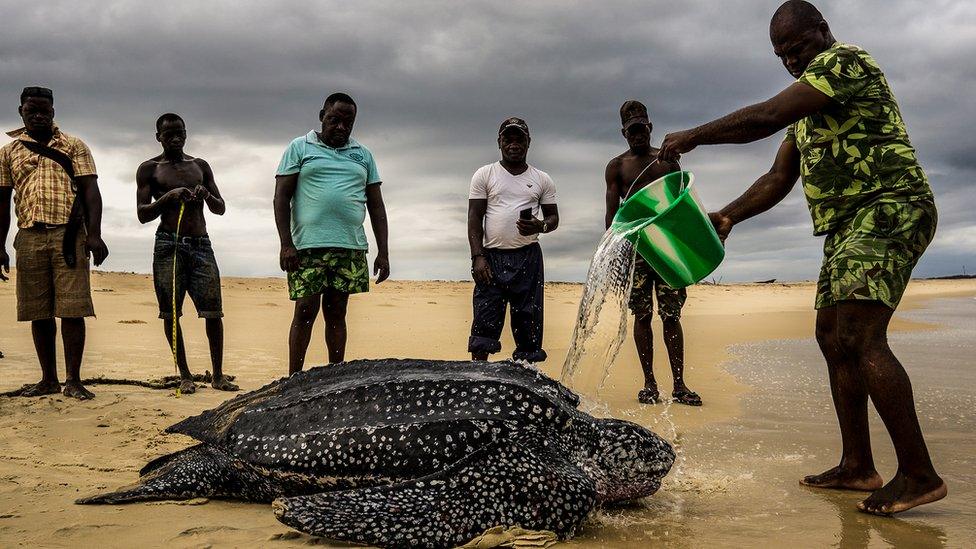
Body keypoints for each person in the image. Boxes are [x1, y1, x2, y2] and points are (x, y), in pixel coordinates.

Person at [658, 0, 945, 515]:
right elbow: (777, 178)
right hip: (844, 226)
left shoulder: (845, 63)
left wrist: (694, 135)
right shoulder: (810, 114)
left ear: (823, 31)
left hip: (888, 206)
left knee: (860, 336)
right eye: (782, 56)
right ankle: (858, 465)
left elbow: (766, 116)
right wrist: (727, 216)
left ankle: (919, 474)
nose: (792, 62)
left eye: (798, 49)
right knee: (832, 335)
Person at [0, 86, 109, 400]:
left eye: (44, 111)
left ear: (53, 112)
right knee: (38, 312)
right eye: (31, 110)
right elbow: (2, 202)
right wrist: (0, 244)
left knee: (73, 309)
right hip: (29, 236)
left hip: (70, 235)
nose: (37, 116)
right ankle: (48, 379)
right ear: (20, 111)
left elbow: (91, 191)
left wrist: (95, 234)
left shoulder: (74, 145)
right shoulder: (9, 151)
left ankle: (73, 380)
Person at [274, 92, 390, 375]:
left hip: (349, 246)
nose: (340, 127)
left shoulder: (363, 155)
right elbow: (281, 198)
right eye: (334, 120)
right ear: (322, 116)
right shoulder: (300, 147)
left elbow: (376, 205)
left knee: (337, 314)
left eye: (347, 123)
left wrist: (383, 251)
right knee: (304, 311)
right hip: (307, 247)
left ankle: (334, 377)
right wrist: (286, 244)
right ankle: (294, 379)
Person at [605, 101, 700, 406]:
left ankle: (680, 385)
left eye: (641, 128)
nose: (637, 134)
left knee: (671, 315)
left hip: (667, 248)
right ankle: (649, 385)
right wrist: (617, 256)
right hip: (637, 250)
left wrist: (688, 249)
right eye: (631, 130)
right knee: (642, 314)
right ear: (623, 132)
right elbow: (612, 218)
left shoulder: (667, 160)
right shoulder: (617, 167)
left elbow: (681, 205)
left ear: (650, 127)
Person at [136, 113, 238, 394]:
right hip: (168, 244)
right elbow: (142, 214)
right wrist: (168, 197)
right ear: (158, 137)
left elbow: (220, 208)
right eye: (168, 134)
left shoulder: (200, 166)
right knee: (170, 312)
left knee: (213, 311)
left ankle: (217, 375)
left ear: (186, 133)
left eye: (179, 132)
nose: (175, 138)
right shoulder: (149, 169)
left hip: (201, 243)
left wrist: (206, 195)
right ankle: (184, 375)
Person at [468, 117, 558, 363]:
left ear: (529, 143)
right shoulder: (484, 174)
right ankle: (478, 378)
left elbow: (553, 218)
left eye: (520, 139)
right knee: (485, 321)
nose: (514, 144)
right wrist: (478, 257)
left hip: (528, 257)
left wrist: (542, 225)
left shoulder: (542, 179)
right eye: (508, 139)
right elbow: (475, 217)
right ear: (499, 142)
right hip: (491, 258)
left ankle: (526, 380)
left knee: (528, 322)